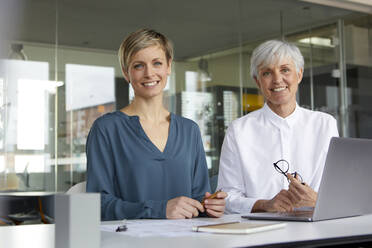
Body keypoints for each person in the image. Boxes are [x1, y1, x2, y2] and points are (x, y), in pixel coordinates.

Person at [86, 28, 226, 220]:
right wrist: (159, 210)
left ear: (168, 66)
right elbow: (97, 205)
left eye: (157, 63)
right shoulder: (107, 129)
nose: (149, 73)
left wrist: (209, 207)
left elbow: (198, 199)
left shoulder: (189, 130)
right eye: (138, 66)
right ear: (127, 73)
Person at [217, 40, 339, 214]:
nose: (277, 79)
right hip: (259, 234)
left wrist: (317, 200)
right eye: (267, 73)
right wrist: (264, 204)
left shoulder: (325, 124)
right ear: (257, 81)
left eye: (285, 70)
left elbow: (340, 190)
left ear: (299, 74)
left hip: (316, 230)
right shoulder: (239, 131)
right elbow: (226, 196)